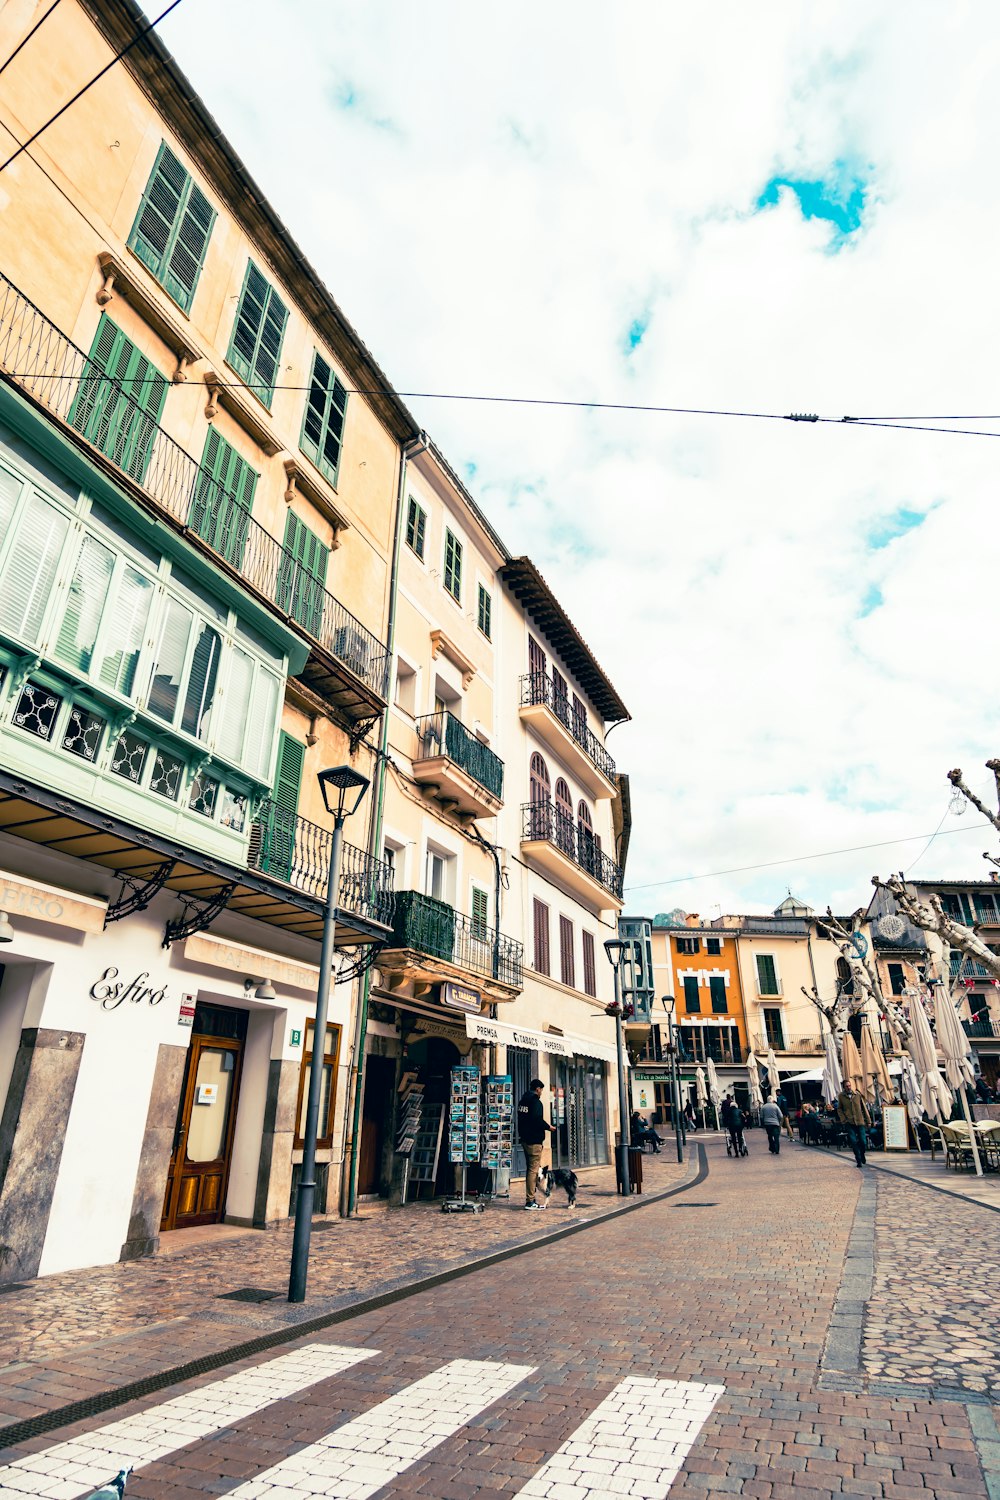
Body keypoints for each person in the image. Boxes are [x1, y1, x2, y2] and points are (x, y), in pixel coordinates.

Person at [517, 1077, 556, 1209]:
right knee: (533, 1171)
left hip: (524, 1140)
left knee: (531, 1169)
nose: (541, 1093)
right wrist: (548, 1127)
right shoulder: (536, 1103)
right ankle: (530, 1200)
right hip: (534, 1141)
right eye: (541, 1090)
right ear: (537, 1089)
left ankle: (534, 1197)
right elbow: (537, 1120)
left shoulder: (522, 1101)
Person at [837, 1080, 872, 1167]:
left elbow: (864, 1108)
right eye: (846, 1086)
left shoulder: (857, 1095)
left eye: (849, 1085)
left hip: (860, 1121)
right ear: (844, 1087)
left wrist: (868, 1121)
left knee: (863, 1141)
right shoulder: (841, 1096)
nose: (848, 1087)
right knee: (853, 1141)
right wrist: (843, 1119)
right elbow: (839, 1109)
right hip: (849, 1122)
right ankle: (858, 1159)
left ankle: (862, 1153)